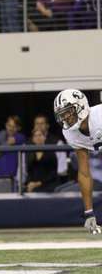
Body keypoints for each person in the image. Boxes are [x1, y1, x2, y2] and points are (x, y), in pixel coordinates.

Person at [53, 89, 102, 235]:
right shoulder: (69, 132)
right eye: (62, 115)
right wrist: (89, 212)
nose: (65, 118)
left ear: (80, 105)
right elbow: (84, 172)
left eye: (68, 112)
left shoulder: (99, 116)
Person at [26, 128, 60, 192]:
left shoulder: (50, 153)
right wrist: (30, 183)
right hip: (34, 184)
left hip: (48, 184)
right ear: (33, 139)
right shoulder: (30, 153)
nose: (38, 138)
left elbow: (53, 174)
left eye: (40, 135)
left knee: (37, 191)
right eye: (35, 136)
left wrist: (38, 183)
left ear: (44, 137)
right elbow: (29, 172)